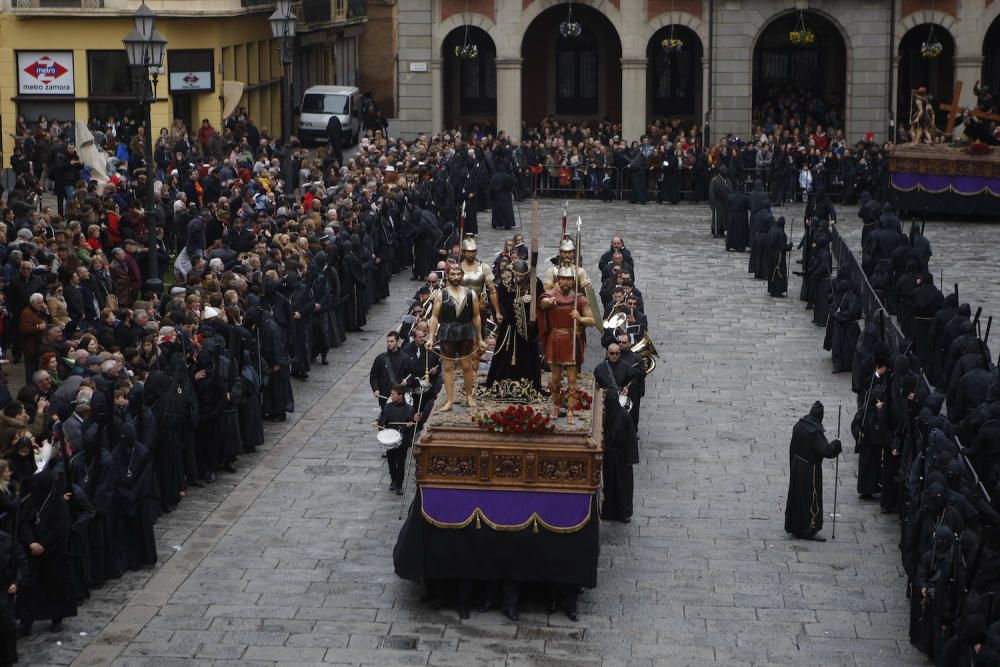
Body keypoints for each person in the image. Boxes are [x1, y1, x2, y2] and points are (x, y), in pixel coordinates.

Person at [538, 267, 595, 424]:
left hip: (571, 339)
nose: (566, 282)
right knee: (555, 378)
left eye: (569, 279)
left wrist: (580, 318)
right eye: (563, 279)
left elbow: (592, 321)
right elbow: (542, 303)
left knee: (571, 380)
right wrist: (548, 303)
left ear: (573, 281)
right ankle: (556, 406)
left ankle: (570, 410)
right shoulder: (550, 296)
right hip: (556, 338)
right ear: (558, 280)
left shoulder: (580, 299)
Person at [426, 265, 484, 412]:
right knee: (448, 367)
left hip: (465, 331)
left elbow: (476, 316)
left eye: (459, 274)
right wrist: (430, 338)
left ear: (462, 275)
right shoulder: (441, 295)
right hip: (447, 332)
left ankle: (469, 396)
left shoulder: (471, 294)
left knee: (466, 366)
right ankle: (450, 400)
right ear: (447, 275)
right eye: (453, 274)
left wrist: (480, 338)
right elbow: (434, 317)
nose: (456, 277)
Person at [594, 343, 641, 523]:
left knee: (622, 486)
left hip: (621, 458)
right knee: (611, 486)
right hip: (611, 456)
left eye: (617, 353)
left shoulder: (623, 418)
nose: (614, 355)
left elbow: (631, 440)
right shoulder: (601, 369)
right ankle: (610, 511)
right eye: (611, 353)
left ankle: (623, 512)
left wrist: (630, 460)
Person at [483, 259, 543, 399]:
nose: (519, 279)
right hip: (510, 327)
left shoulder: (535, 283)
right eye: (517, 275)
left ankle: (529, 384)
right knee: (505, 355)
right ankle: (504, 381)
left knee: (528, 354)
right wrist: (519, 300)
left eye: (522, 276)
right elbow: (504, 303)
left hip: (528, 329)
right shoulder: (505, 284)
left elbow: (540, 300)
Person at [784, 401, 843, 541]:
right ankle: (810, 528)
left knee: (797, 497)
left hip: (797, 466)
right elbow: (826, 451)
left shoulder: (799, 425)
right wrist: (836, 444)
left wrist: (792, 465)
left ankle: (795, 525)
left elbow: (792, 448)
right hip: (810, 470)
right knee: (812, 498)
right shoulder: (815, 432)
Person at [373, 384, 417, 494]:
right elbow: (382, 418)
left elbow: (413, 422)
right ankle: (393, 480)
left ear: (401, 396)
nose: (391, 396)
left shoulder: (409, 409)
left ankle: (399, 484)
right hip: (390, 438)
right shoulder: (388, 407)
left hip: (402, 439)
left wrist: (411, 424)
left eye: (393, 394)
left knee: (401, 462)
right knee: (391, 461)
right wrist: (377, 422)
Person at [369, 331, 415, 409]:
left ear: (397, 342)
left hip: (400, 397)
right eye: (388, 341)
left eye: (392, 341)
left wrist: (407, 381)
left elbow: (412, 374)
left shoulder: (405, 358)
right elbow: (374, 376)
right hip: (384, 395)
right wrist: (376, 389)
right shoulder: (381, 358)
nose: (389, 343)